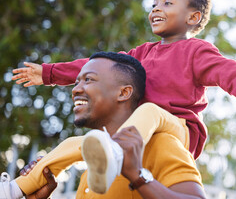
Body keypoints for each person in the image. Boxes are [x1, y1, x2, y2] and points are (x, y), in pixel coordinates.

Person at [10, 0, 236, 194]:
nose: (156, 8)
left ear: (193, 17)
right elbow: (97, 67)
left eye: (167, 3)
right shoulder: (141, 53)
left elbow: (228, 71)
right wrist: (48, 74)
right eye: (154, 3)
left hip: (176, 127)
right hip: (134, 132)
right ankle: (18, 188)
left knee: (150, 110)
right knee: (74, 143)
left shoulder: (196, 51)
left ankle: (116, 155)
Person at [1, 52, 207, 199]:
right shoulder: (94, 168)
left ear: (124, 93)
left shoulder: (161, 144)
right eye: (77, 82)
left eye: (88, 80)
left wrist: (137, 175)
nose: (76, 90)